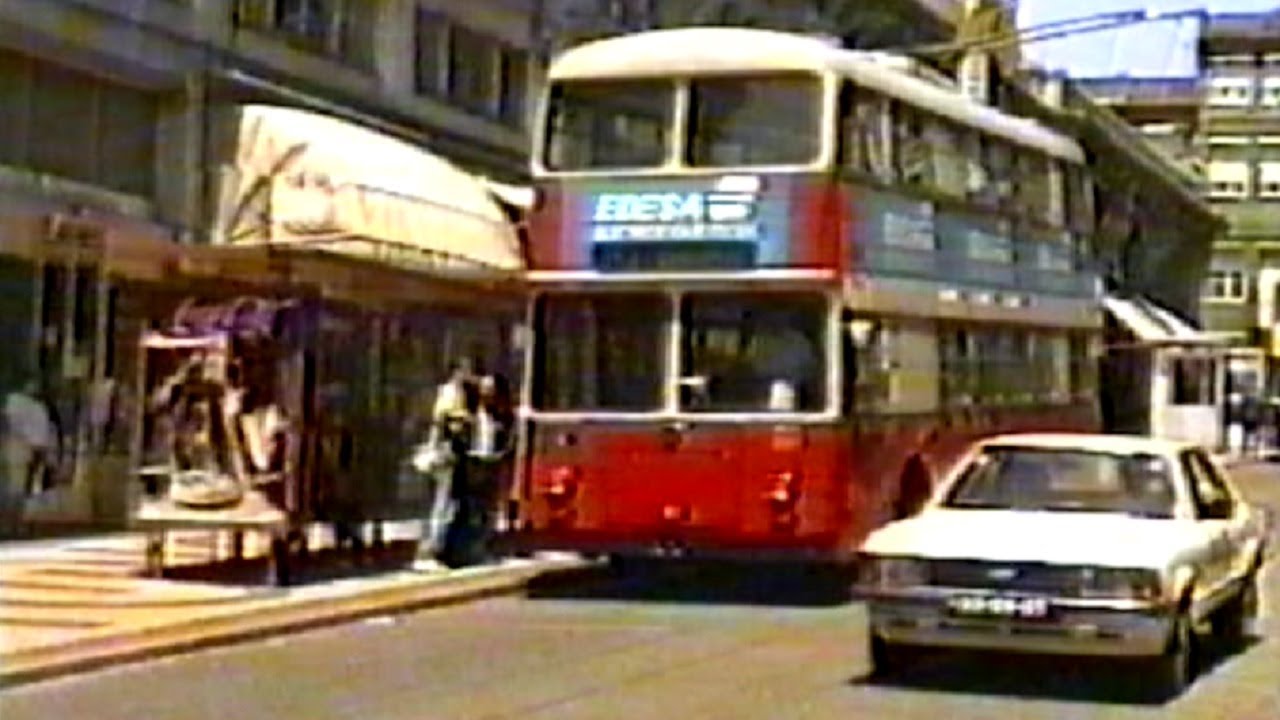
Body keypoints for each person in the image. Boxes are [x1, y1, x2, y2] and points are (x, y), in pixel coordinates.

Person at [1, 381, 57, 536]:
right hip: (26, 450)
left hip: (15, 447)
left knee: (14, 488)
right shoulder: (38, 409)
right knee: (19, 489)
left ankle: (11, 523)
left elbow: (7, 422)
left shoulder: (15, 402)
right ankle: (15, 523)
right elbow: (41, 438)